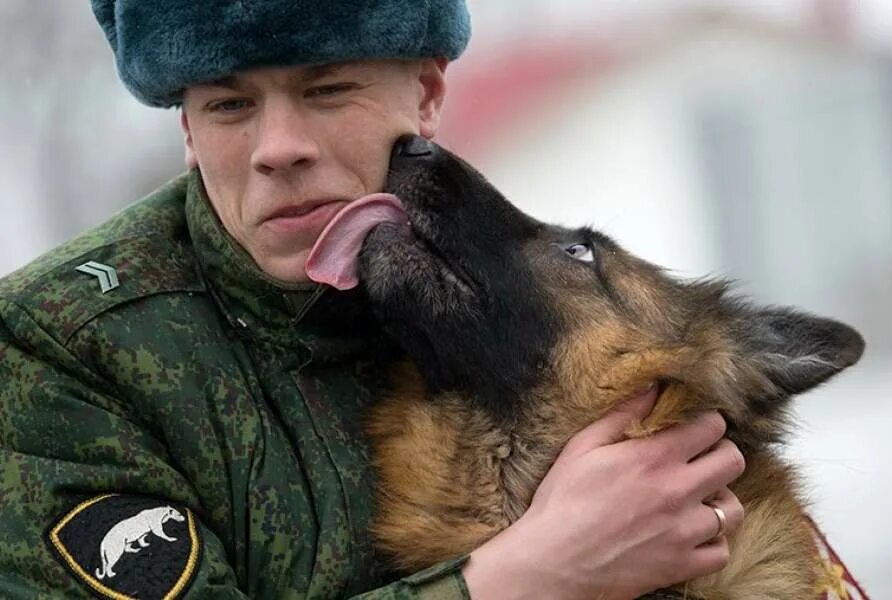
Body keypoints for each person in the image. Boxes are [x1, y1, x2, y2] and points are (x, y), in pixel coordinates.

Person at [0, 2, 748, 599]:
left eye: (327, 91)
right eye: (229, 107)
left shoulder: (512, 298)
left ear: (425, 95)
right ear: (188, 130)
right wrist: (526, 577)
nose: (279, 147)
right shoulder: (62, 345)